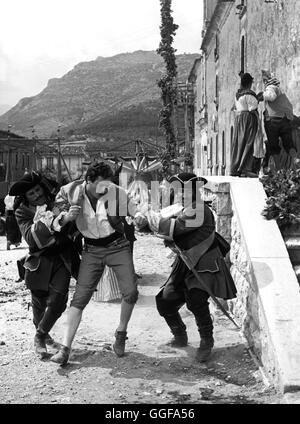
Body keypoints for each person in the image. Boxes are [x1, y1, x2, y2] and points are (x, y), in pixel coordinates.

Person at [136, 173, 237, 362]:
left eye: (183, 190)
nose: (180, 194)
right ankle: (180, 336)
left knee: (196, 300)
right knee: (165, 300)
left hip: (204, 262)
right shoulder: (185, 208)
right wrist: (143, 223)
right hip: (186, 262)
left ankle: (207, 341)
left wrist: (149, 215)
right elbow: (162, 226)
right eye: (179, 190)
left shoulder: (199, 210)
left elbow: (175, 228)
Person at [50, 161, 139, 365]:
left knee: (131, 293)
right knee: (79, 298)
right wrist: (65, 218)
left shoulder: (116, 192)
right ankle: (65, 349)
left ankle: (121, 333)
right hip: (91, 250)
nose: (104, 191)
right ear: (88, 181)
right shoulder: (69, 191)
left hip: (118, 246)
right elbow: (54, 217)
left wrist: (140, 217)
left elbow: (135, 210)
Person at [9, 171, 81, 360]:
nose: (36, 195)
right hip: (40, 259)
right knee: (39, 301)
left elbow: (71, 229)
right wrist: (55, 222)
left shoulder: (57, 201)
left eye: (37, 190)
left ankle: (39, 337)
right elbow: (31, 239)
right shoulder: (22, 212)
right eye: (31, 193)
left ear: (42, 188)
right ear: (25, 197)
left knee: (58, 301)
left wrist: (69, 220)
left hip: (63, 257)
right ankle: (44, 333)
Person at [258, 71, 297, 172]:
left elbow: (271, 96)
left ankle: (279, 169)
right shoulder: (281, 91)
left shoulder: (271, 88)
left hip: (273, 121)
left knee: (273, 146)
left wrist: (262, 96)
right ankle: (296, 161)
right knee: (288, 144)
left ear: (266, 80)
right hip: (285, 120)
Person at [230, 72, 264, 177]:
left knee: (239, 143)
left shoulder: (238, 94)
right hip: (248, 119)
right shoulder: (249, 94)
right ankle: (245, 168)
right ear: (249, 83)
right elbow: (252, 107)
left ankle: (235, 168)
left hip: (239, 119)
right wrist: (258, 99)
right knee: (249, 142)